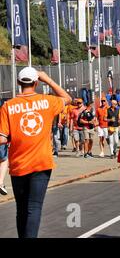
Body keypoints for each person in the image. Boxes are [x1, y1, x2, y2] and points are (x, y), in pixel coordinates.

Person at [0, 68, 71, 238]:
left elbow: (2, 138)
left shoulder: (8, 106)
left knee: (21, 208)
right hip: (41, 162)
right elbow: (67, 99)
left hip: (18, 163)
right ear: (36, 82)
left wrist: (15, 137)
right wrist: (49, 80)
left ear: (18, 83)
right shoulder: (46, 102)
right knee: (34, 207)